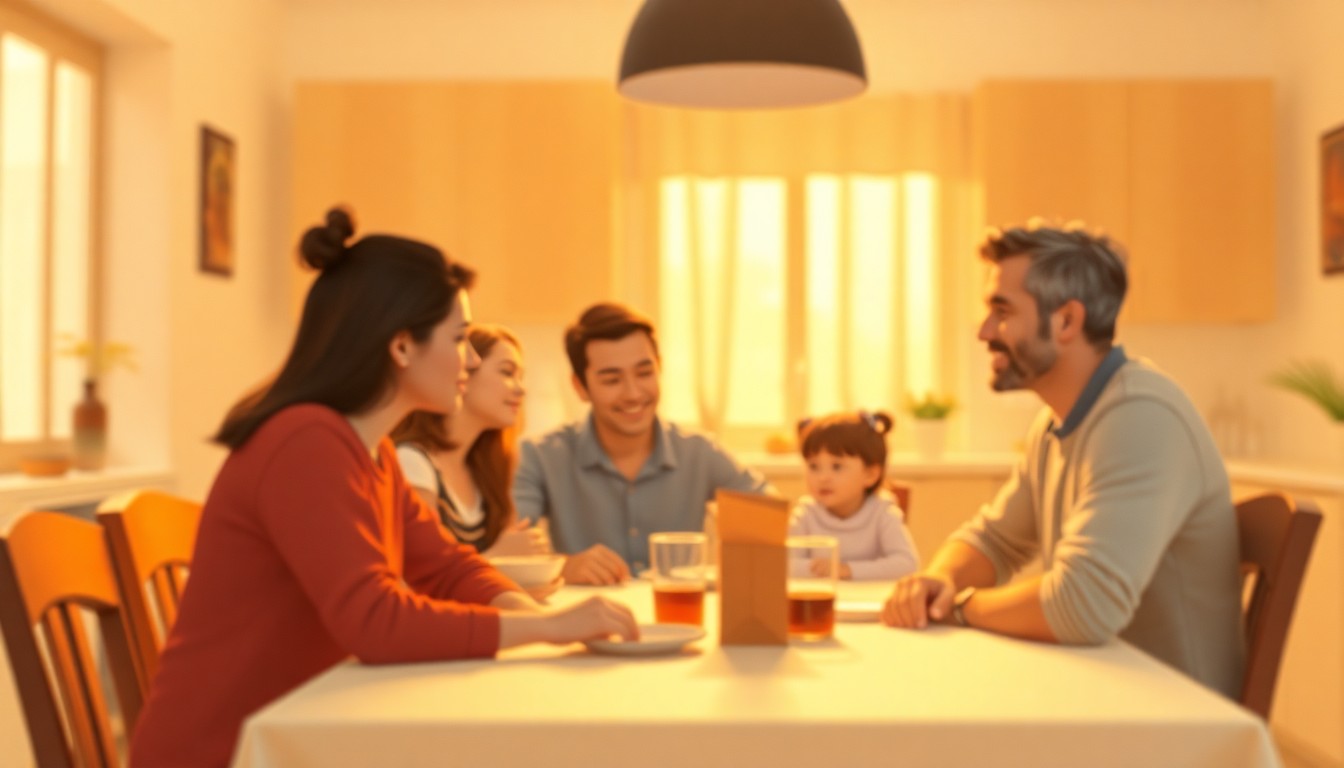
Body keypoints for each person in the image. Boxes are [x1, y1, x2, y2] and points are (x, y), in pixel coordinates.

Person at [130, 208, 637, 768]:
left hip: (307, 734)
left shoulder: (373, 453)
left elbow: (446, 567)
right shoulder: (305, 443)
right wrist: (545, 626)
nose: (470, 358)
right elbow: (375, 622)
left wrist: (537, 622)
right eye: (459, 338)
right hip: (229, 753)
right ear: (401, 347)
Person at [880, 221, 1244, 699]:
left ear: (1067, 321)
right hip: (1107, 693)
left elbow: (1083, 604)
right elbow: (994, 540)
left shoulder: (1140, 416)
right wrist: (939, 579)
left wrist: (961, 608)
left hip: (1173, 716)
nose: (984, 331)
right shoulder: (1059, 422)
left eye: (1002, 311)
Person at [513, 302, 773, 585]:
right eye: (612, 380)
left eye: (644, 373)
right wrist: (563, 567)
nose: (633, 393)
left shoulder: (699, 452)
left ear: (660, 368)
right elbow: (505, 552)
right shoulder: (540, 457)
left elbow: (775, 520)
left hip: (680, 610)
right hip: (589, 612)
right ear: (579, 387)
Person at [392, 324, 552, 560]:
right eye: (507, 373)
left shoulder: (488, 472)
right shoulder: (413, 463)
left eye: (521, 377)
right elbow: (419, 571)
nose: (521, 389)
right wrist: (498, 559)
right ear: (463, 374)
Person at [789, 410, 919, 581]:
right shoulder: (805, 513)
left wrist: (847, 570)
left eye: (836, 466)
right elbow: (782, 563)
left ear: (870, 474)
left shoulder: (883, 513)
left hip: (872, 598)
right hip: (822, 597)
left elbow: (907, 564)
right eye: (814, 466)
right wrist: (819, 569)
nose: (823, 477)